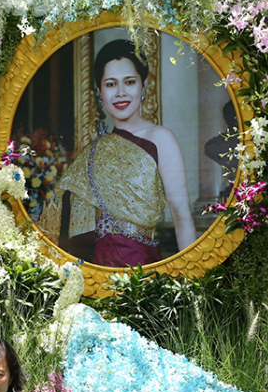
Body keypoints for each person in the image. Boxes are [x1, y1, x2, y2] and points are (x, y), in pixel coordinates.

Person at [39, 39, 197, 267]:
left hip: (142, 268)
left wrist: (192, 279)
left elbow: (181, 217)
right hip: (98, 269)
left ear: (143, 86)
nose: (121, 93)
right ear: (99, 92)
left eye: (130, 82)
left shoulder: (161, 139)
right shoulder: (93, 152)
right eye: (111, 84)